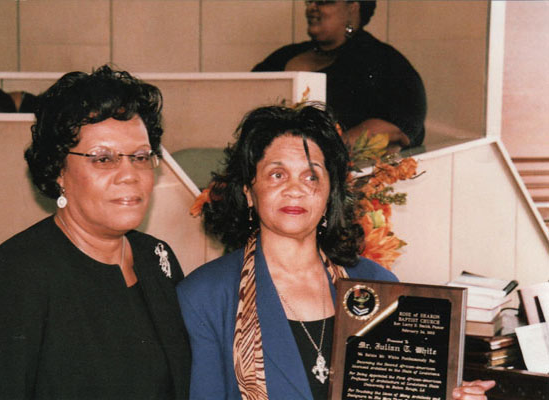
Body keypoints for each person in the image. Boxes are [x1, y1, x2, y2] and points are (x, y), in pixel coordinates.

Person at [177, 104, 494, 399]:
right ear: (249, 191)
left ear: (330, 194)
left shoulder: (377, 283)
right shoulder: (205, 295)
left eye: (311, 176)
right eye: (277, 174)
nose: (295, 189)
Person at [0, 65, 191, 399]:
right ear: (58, 170)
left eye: (140, 157)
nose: (130, 175)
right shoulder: (14, 275)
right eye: (103, 159)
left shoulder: (157, 258)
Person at [252, 0, 426, 152]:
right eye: (310, 1)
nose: (311, 8)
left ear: (353, 8)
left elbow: (401, 128)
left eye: (324, 1)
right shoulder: (284, 56)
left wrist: (327, 156)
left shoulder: (384, 61)